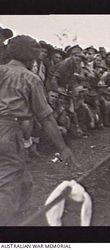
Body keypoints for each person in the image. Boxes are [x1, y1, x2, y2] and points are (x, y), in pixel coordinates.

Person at [0, 35, 78, 225]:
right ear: (31, 56)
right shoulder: (30, 78)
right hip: (9, 130)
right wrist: (63, 148)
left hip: (9, 129)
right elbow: (46, 118)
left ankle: (20, 215)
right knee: (8, 184)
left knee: (22, 178)